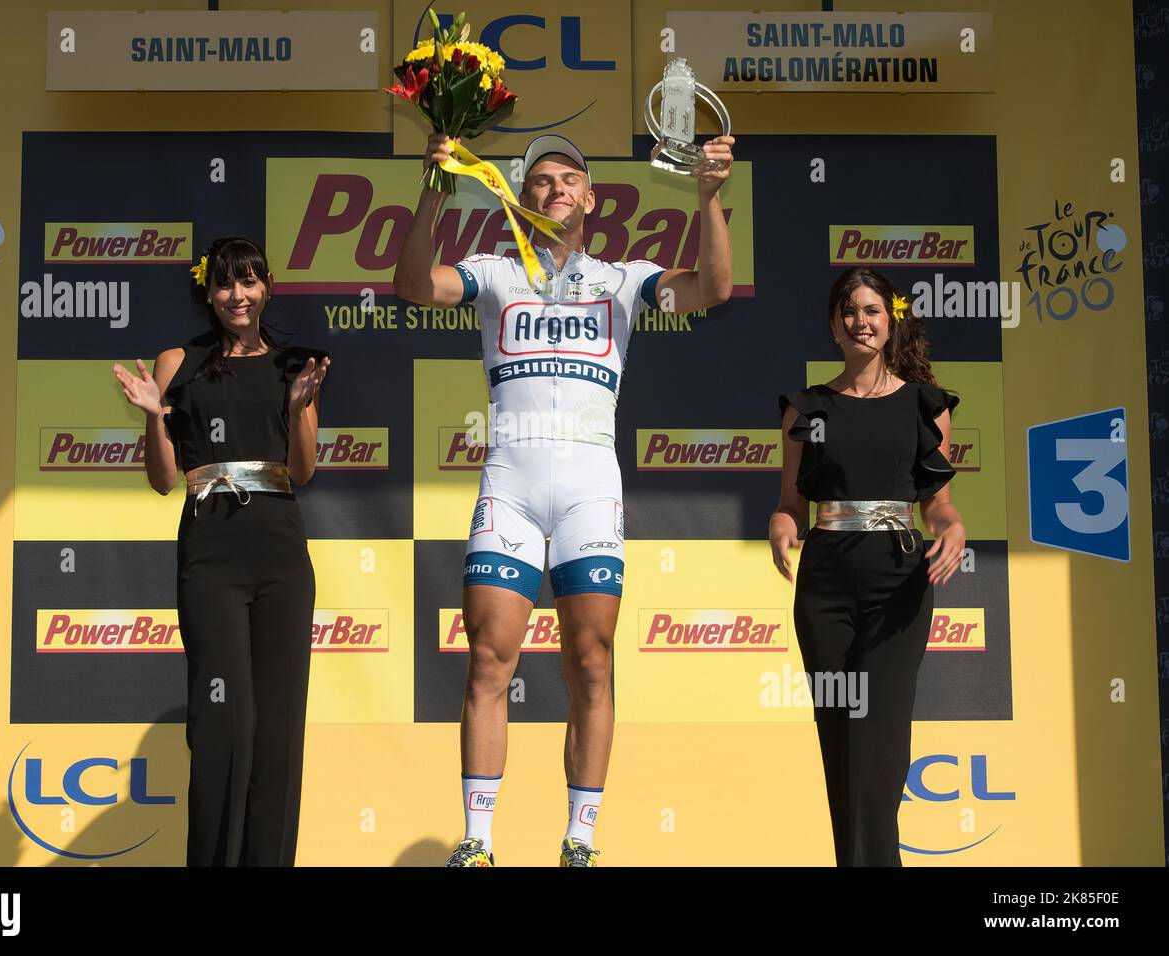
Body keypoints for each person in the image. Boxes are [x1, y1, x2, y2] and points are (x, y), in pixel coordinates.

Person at [395, 131, 736, 866]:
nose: (554, 189)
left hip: (588, 491)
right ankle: (479, 842)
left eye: (567, 179)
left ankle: (579, 840)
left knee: (591, 661)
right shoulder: (491, 272)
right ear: (523, 198)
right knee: (488, 659)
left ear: (590, 199)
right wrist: (434, 186)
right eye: (540, 180)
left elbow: (712, 291)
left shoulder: (622, 280)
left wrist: (708, 201)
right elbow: (413, 286)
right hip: (511, 488)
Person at [111, 236, 330, 866]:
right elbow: (162, 478)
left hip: (281, 554)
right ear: (208, 292)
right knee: (223, 724)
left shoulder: (299, 366)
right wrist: (155, 415)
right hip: (211, 553)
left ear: (267, 287)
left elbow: (304, 471)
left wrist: (298, 408)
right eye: (226, 284)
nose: (239, 295)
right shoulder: (178, 362)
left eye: (250, 281)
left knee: (279, 730)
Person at [769, 266, 966, 866]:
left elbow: (938, 503)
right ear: (834, 326)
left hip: (898, 582)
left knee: (878, 744)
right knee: (842, 743)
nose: (861, 320)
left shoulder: (923, 406)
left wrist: (953, 528)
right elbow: (789, 503)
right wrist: (782, 527)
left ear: (890, 322)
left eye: (873, 310)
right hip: (825, 583)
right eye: (850, 311)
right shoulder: (809, 408)